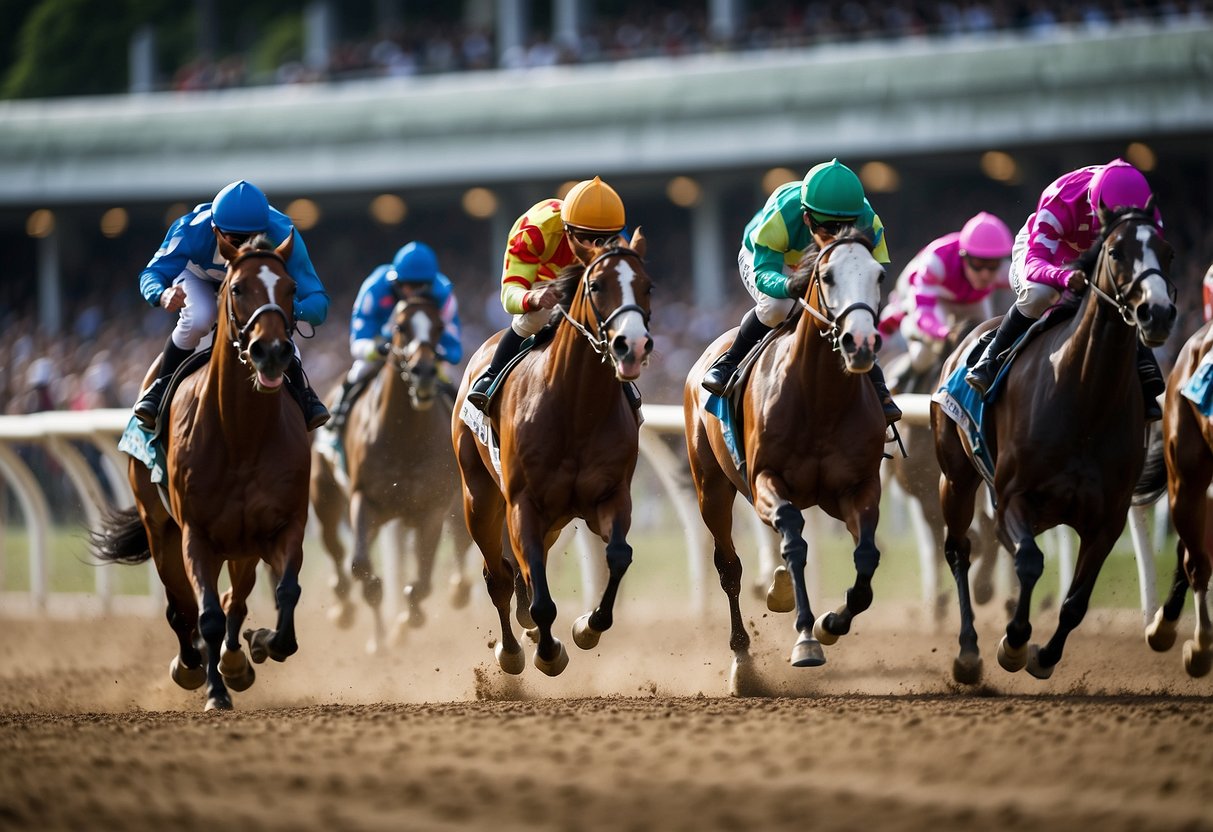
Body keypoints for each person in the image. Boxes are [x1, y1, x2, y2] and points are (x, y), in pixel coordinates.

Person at [700, 158, 901, 424]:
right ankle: (728, 362)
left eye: (844, 227)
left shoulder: (869, 222)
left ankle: (877, 384)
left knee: (850, 312)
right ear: (807, 217)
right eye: (828, 228)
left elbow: (873, 275)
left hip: (827, 266)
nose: (836, 235)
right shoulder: (784, 212)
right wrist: (790, 285)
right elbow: (764, 273)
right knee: (777, 307)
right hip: (773, 260)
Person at [964, 158, 1166, 420]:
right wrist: (1062, 276)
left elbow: (1152, 256)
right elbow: (1035, 263)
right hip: (1047, 253)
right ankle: (990, 359)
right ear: (1097, 205)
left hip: (1105, 249)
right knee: (1040, 293)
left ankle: (1144, 366)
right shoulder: (1061, 198)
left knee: (1127, 288)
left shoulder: (1146, 210)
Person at [133, 180, 331, 431]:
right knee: (200, 317)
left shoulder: (282, 233)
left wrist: (291, 310)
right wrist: (162, 294)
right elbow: (152, 273)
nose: (244, 246)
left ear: (264, 230)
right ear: (214, 228)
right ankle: (160, 386)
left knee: (273, 325)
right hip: (200, 279)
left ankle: (304, 394)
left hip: (253, 283)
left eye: (252, 238)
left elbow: (319, 301)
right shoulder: (190, 229)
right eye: (235, 240)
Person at [466, 175, 627, 410]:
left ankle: (624, 384)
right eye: (586, 239)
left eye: (601, 239)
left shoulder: (615, 241)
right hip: (541, 277)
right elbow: (510, 295)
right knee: (540, 315)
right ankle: (491, 376)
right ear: (568, 230)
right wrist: (532, 298)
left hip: (581, 279)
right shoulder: (534, 232)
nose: (594, 248)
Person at [329, 241, 464, 430]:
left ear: (430, 283)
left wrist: (437, 354)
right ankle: (337, 418)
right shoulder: (374, 288)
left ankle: (466, 426)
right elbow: (358, 342)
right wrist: (376, 349)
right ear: (396, 282)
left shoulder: (443, 294)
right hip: (381, 345)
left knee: (454, 378)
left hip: (425, 350)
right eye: (408, 285)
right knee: (360, 370)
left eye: (421, 286)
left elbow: (454, 349)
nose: (413, 292)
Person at [878, 212, 1014, 379]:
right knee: (923, 355)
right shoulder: (936, 264)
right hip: (932, 297)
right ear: (963, 256)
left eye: (993, 265)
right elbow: (924, 313)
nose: (985, 275)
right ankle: (897, 381)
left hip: (971, 300)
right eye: (978, 265)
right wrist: (943, 333)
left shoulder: (1004, 271)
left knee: (987, 341)